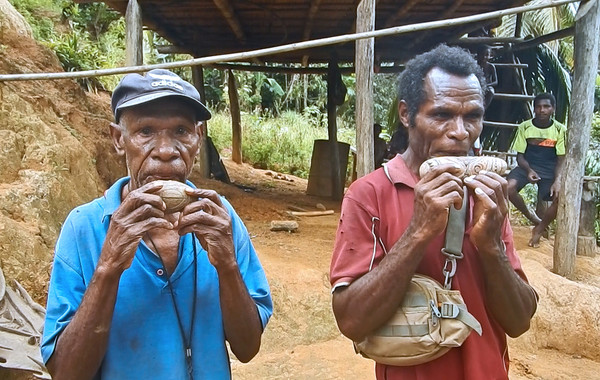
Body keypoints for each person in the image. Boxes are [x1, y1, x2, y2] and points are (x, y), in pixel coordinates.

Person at [41, 69, 273, 379]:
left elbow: (247, 348)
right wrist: (108, 266)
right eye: (146, 131)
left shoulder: (218, 217)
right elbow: (66, 373)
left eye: (181, 131)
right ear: (118, 139)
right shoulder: (85, 227)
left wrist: (227, 265)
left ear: (199, 138)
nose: (166, 151)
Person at [330, 45, 537, 380]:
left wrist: (490, 247)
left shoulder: (488, 196)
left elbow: (520, 321)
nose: (460, 132)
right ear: (406, 114)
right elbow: (351, 321)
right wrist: (418, 231)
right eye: (441, 115)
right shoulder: (368, 195)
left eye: (472, 116)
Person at [507, 93, 566, 247]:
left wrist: (557, 180)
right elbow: (520, 157)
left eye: (546, 106)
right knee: (508, 188)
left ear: (553, 109)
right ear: (534, 109)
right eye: (538, 106)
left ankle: (539, 228)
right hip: (527, 166)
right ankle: (533, 218)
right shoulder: (525, 127)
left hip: (550, 170)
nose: (542, 110)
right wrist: (528, 171)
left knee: (560, 198)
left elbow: (561, 159)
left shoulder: (560, 130)